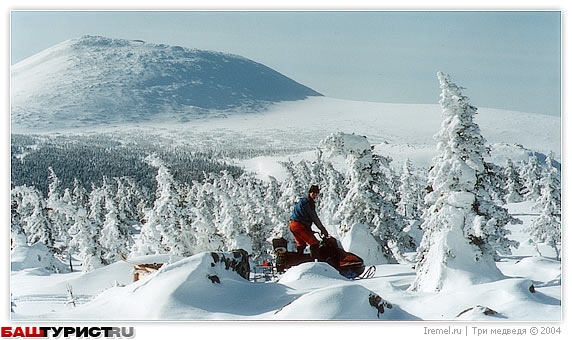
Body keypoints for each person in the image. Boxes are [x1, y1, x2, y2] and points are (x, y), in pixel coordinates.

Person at [289, 184, 329, 260]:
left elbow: (303, 216)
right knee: (314, 243)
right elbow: (314, 217)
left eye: (316, 194)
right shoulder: (307, 203)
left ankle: (298, 261)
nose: (314, 196)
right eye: (313, 193)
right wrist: (322, 229)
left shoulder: (302, 201)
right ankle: (315, 263)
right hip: (299, 226)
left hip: (293, 225)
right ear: (309, 193)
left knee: (301, 244)